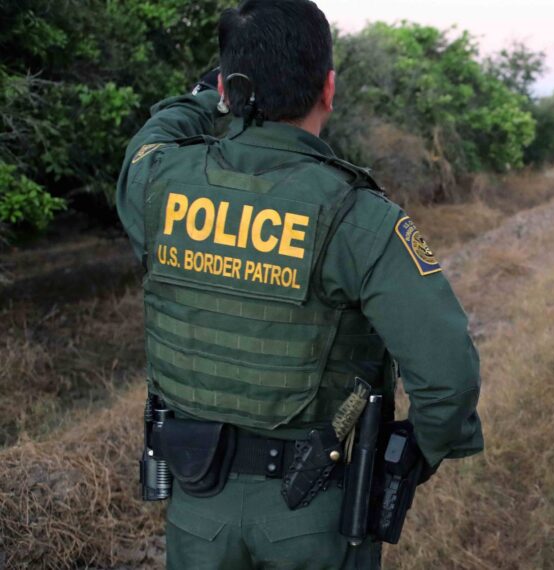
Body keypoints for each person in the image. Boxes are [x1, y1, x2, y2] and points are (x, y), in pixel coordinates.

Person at [115, 1, 483, 568]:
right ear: (328, 89)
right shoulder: (361, 217)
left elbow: (152, 136)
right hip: (314, 512)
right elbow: (448, 379)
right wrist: (414, 456)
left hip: (195, 508)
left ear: (228, 90)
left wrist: (203, 97)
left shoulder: (158, 183)